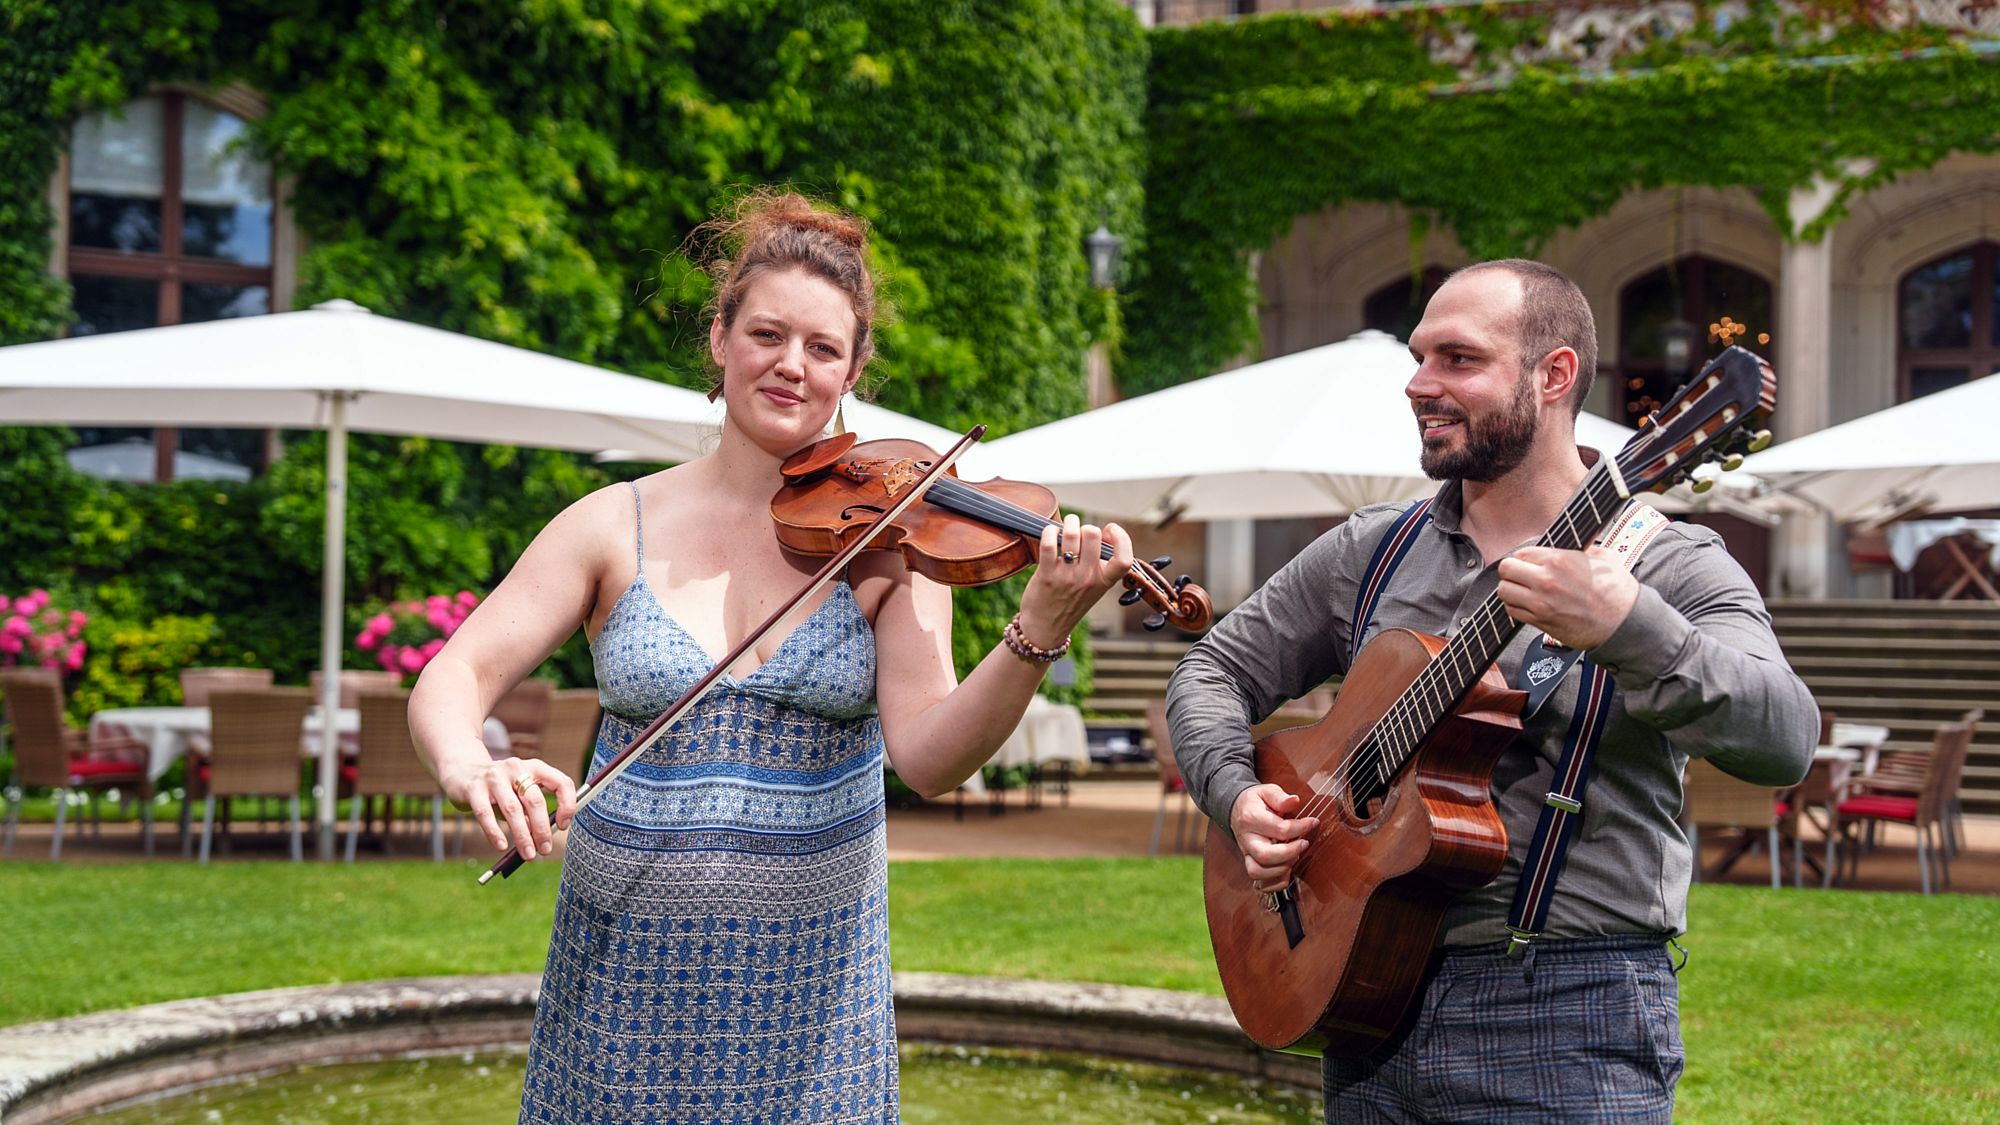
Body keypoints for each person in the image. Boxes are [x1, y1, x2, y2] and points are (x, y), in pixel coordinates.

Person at [410, 190, 1132, 1122]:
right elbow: (453, 674)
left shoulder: (890, 542)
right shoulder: (612, 523)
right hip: (620, 995)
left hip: (812, 1011)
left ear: (853, 370)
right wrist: (472, 762)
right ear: (720, 338)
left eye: (823, 348)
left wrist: (1039, 627)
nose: (792, 365)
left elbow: (930, 755)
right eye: (767, 334)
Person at [1166, 260, 1816, 1122]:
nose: (1418, 384)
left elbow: (1784, 736)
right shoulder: (1374, 549)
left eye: (1457, 360)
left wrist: (1629, 625)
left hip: (1570, 1015)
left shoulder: (1670, 563)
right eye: (1418, 356)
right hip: (1362, 997)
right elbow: (1211, 668)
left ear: (1555, 376)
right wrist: (1237, 793)